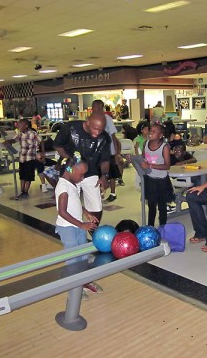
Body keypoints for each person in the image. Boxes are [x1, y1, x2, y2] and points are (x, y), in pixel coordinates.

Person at [53, 112, 111, 229]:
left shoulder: (104, 138)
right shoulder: (70, 128)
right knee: (70, 206)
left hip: (91, 173)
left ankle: (92, 229)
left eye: (101, 129)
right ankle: (74, 228)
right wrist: (69, 160)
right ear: (88, 122)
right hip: (71, 172)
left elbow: (105, 160)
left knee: (96, 207)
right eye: (95, 128)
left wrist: (104, 176)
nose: (97, 133)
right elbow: (58, 145)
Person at [55, 152, 100, 300]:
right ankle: (73, 287)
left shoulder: (73, 183)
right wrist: (81, 224)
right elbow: (62, 211)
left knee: (83, 255)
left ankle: (84, 281)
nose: (82, 178)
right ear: (71, 170)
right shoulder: (62, 186)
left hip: (78, 226)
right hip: (67, 228)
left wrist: (86, 213)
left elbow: (75, 203)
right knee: (73, 258)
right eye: (81, 175)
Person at [140, 124, 173, 227]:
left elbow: (167, 166)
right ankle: (150, 227)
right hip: (150, 179)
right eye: (150, 130)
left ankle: (162, 227)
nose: (150, 133)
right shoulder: (146, 144)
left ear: (160, 135)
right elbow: (143, 160)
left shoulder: (164, 147)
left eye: (154, 131)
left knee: (162, 207)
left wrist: (150, 165)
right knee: (151, 205)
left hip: (161, 181)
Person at [92, 100, 124, 202]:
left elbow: (113, 136)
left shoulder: (107, 119)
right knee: (98, 172)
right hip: (97, 151)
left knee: (112, 172)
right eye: (93, 107)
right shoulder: (91, 119)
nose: (94, 109)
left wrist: (115, 153)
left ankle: (113, 193)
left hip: (109, 151)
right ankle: (100, 192)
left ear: (101, 108)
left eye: (96, 107)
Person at [5, 119, 44, 200]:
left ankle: (25, 192)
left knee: (28, 176)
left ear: (26, 125)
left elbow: (41, 141)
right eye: (18, 125)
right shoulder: (20, 134)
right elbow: (14, 140)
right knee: (22, 175)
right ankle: (22, 191)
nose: (19, 126)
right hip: (22, 158)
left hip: (30, 158)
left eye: (20, 125)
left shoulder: (32, 133)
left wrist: (42, 153)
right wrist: (8, 141)